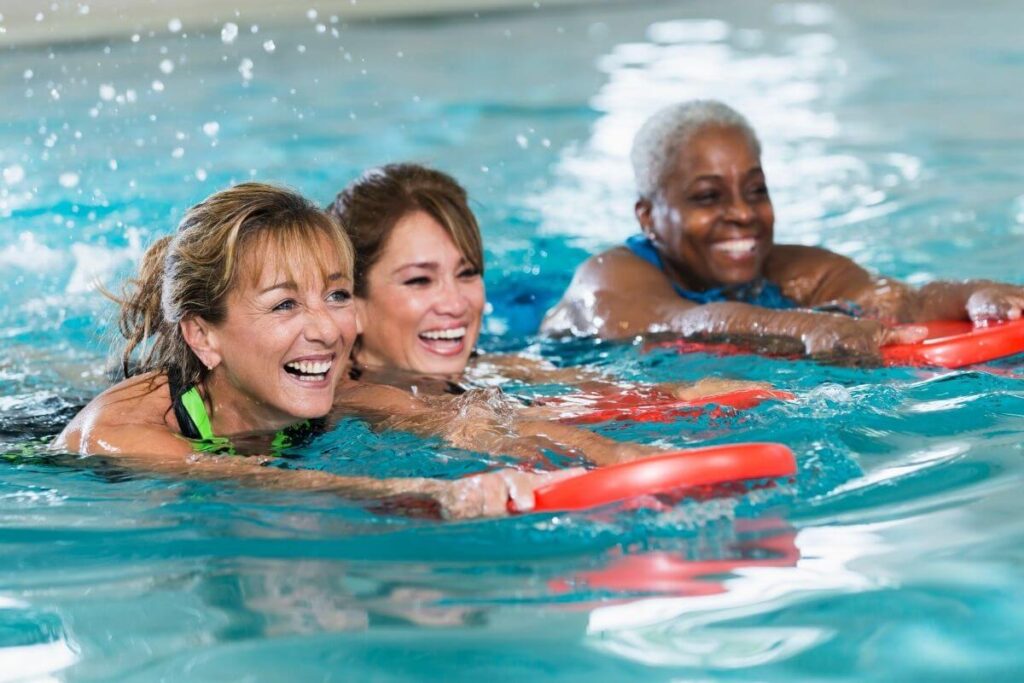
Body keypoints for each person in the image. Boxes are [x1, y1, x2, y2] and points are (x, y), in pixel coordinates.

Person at [53, 183, 581, 519]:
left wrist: (626, 458)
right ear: (203, 336)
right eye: (284, 305)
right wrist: (436, 491)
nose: (327, 331)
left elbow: (464, 422)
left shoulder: (333, 393)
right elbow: (253, 481)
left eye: (336, 295)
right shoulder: (118, 432)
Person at [541, 99, 1024, 360]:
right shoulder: (608, 278)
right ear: (647, 217)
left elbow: (901, 302)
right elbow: (679, 322)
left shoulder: (796, 271)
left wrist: (976, 296)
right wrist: (804, 325)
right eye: (708, 197)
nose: (743, 214)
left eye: (755, 191)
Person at [326, 162, 765, 406]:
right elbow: (474, 429)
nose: (456, 303)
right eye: (419, 280)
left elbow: (592, 387)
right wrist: (618, 455)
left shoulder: (481, 367)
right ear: (351, 304)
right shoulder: (349, 399)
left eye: (467, 273)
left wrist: (685, 394)